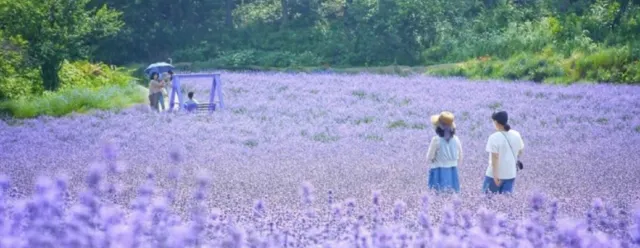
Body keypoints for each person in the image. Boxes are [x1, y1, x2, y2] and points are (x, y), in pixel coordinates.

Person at [483, 111, 525, 194]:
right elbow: (520, 150)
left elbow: (495, 158)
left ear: (496, 122)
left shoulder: (494, 137)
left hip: (494, 176)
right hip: (510, 174)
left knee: (487, 201)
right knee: (506, 202)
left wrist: (495, 176)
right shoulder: (516, 135)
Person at [426, 111, 462, 193]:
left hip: (438, 170)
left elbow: (430, 156)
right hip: (452, 171)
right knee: (452, 193)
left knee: (438, 194)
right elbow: (460, 156)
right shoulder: (456, 139)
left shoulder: (436, 140)